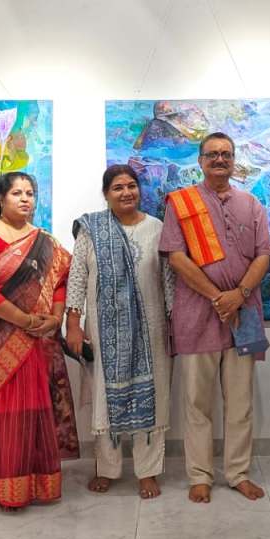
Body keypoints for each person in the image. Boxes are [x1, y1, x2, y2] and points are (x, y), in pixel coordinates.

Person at [159, 132, 270, 503]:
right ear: (200, 160)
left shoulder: (251, 204)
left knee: (241, 401)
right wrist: (216, 297)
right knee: (197, 401)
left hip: (245, 314)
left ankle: (238, 472)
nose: (219, 159)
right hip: (196, 314)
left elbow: (263, 255)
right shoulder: (181, 204)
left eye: (226, 154)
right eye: (212, 154)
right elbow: (176, 257)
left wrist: (237, 296)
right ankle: (200, 475)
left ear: (234, 160)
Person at [0, 171, 79, 510]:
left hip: (38, 338)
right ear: (2, 199)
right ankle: (5, 487)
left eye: (30, 192)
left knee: (35, 407)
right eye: (17, 193)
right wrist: (23, 320)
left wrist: (56, 318)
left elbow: (62, 278)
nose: (25, 198)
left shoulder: (44, 241)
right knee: (7, 409)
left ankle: (38, 484)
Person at [64, 164, 174, 500]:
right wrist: (73, 321)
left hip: (151, 327)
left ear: (139, 190)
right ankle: (107, 468)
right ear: (106, 194)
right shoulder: (92, 230)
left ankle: (148, 471)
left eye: (131, 186)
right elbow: (77, 276)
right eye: (117, 188)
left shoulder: (157, 228)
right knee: (104, 397)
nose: (126, 192)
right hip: (103, 329)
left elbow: (168, 279)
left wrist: (174, 319)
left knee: (152, 396)